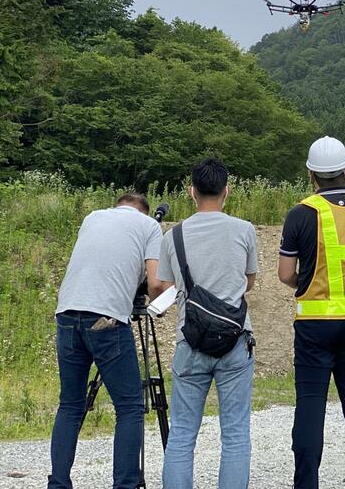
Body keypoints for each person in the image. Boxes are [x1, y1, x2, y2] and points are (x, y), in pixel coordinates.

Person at [277, 136, 345, 489]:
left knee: (310, 406)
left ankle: (306, 484)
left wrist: (308, 286)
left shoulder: (300, 213)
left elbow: (285, 273)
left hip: (313, 325)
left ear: (311, 175)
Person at [153, 157, 258, 489]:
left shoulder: (175, 235)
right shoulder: (244, 229)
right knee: (236, 432)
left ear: (191, 192)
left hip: (191, 340)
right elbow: (249, 281)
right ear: (227, 191)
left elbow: (164, 284)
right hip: (236, 341)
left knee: (183, 433)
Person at [49, 193, 162, 489]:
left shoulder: (93, 218)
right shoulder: (150, 226)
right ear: (144, 211)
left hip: (67, 312)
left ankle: (58, 483)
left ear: (119, 205)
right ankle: (125, 484)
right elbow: (153, 283)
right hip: (107, 316)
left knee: (70, 406)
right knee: (130, 407)